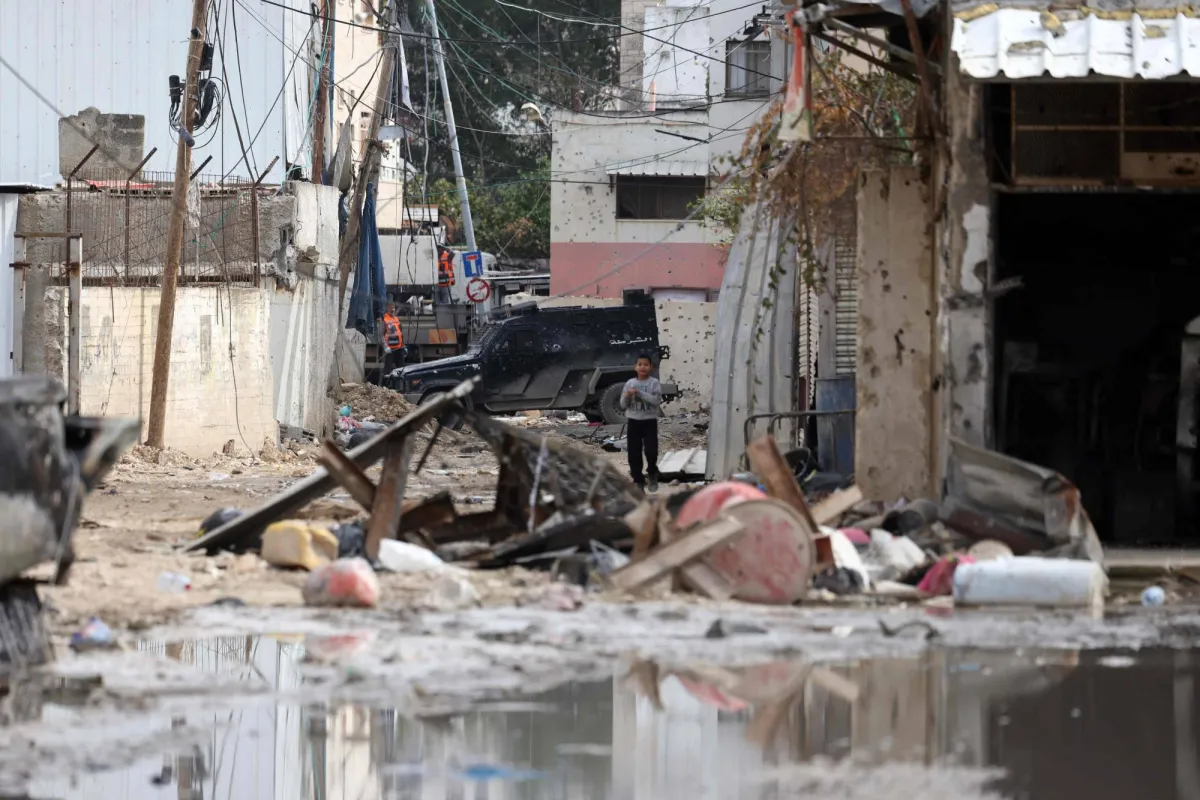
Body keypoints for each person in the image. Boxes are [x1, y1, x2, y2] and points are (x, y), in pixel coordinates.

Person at [620, 353, 662, 492]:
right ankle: (638, 481)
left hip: (649, 421)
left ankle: (652, 473)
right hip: (634, 421)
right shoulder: (630, 383)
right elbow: (622, 405)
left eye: (646, 364)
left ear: (651, 367)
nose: (642, 367)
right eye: (640, 364)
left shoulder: (654, 383)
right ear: (635, 367)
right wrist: (627, 396)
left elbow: (656, 401)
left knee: (651, 451)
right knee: (634, 453)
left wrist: (640, 394)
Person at [379, 302, 405, 379]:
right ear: (387, 308)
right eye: (391, 307)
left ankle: (401, 386)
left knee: (401, 368)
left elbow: (400, 332)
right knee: (388, 369)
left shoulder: (396, 318)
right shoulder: (384, 319)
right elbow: (381, 334)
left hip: (399, 348)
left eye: (393, 307)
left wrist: (403, 345)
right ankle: (386, 387)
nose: (392, 308)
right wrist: (385, 347)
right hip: (390, 349)